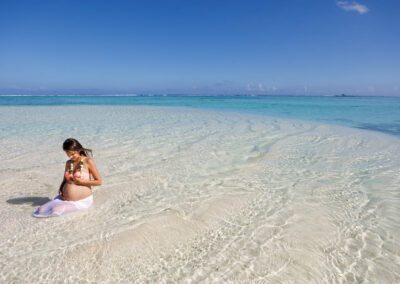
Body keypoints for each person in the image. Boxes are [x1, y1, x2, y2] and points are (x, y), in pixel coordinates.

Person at [32, 138, 102, 217]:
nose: (70, 157)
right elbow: (65, 179)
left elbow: (99, 181)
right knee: (40, 210)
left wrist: (81, 182)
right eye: (68, 154)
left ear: (78, 150)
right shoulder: (68, 163)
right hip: (64, 198)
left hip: (81, 201)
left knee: (56, 211)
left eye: (72, 154)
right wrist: (61, 189)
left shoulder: (87, 161)